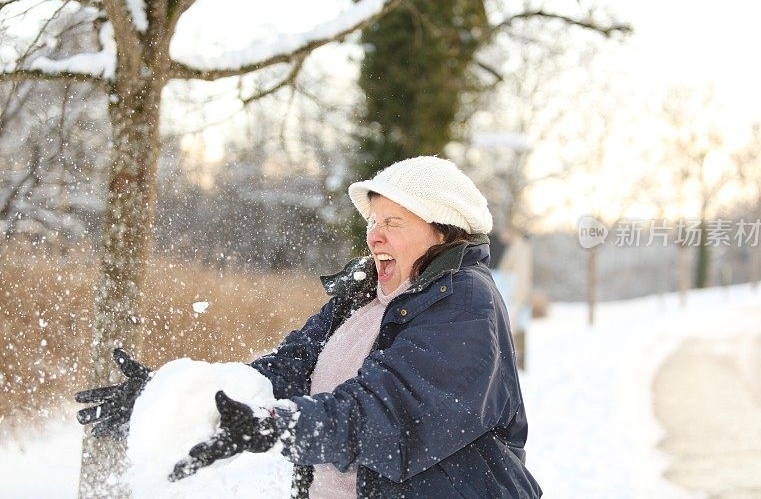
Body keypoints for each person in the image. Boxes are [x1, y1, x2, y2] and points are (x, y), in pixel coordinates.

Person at [77, 156, 544, 498]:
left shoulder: (464, 300)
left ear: (442, 231)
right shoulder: (361, 298)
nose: (375, 234)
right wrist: (175, 399)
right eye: (373, 220)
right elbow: (281, 372)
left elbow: (393, 415)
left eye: (394, 223)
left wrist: (276, 426)